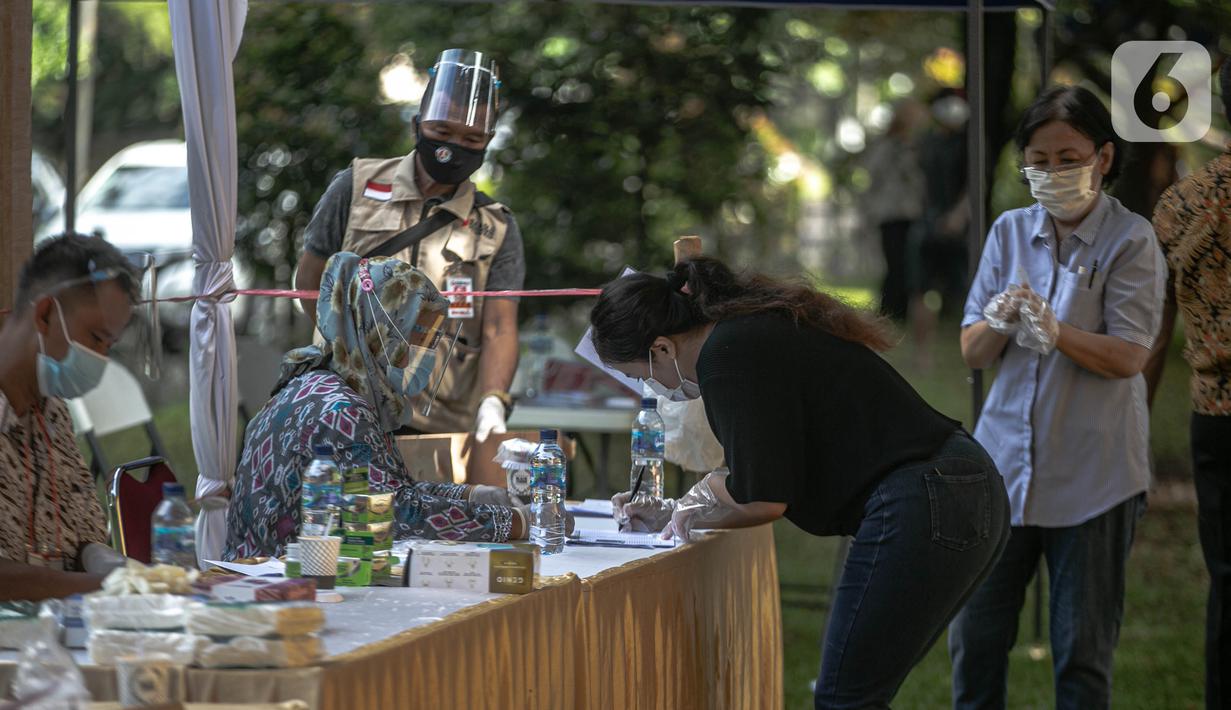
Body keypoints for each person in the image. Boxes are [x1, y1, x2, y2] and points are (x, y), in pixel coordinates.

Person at [592, 256, 1010, 709]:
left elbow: (764, 496)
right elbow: (763, 479)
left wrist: (694, 501)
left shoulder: (727, 357)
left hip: (927, 496)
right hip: (953, 485)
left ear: (662, 349)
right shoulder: (740, 333)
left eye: (639, 376)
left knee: (845, 699)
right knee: (857, 694)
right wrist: (679, 511)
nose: (651, 389)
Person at [951, 85, 1166, 709]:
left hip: (1094, 479)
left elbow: (1130, 356)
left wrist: (1059, 332)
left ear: (1102, 156)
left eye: (1067, 158)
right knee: (977, 640)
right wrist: (999, 319)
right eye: (1038, 161)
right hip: (1004, 468)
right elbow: (972, 351)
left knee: (1081, 655)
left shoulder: (1131, 240)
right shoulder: (1009, 231)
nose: (1052, 173)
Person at [225, 253, 527, 560]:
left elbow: (392, 488)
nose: (424, 353)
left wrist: (470, 495)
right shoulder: (342, 410)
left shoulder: (316, 384)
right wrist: (510, 522)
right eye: (417, 335)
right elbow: (396, 512)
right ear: (381, 330)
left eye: (433, 341)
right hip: (282, 580)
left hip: (271, 570)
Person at [295, 48, 523, 447]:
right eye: (442, 132)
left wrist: (493, 401)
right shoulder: (356, 185)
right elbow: (309, 281)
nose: (454, 146)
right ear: (417, 125)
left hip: (441, 419)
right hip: (348, 407)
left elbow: (500, 326)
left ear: (487, 142)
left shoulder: (495, 226)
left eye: (472, 138)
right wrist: (348, 346)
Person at [1145, 59, 1231, 710]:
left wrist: (1135, 423)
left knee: (1225, 581)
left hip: (1214, 415)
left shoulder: (1179, 204)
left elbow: (1153, 329)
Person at [0, 233, 138, 601]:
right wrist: (113, 587)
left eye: (109, 345)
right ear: (45, 314)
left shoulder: (51, 411)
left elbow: (82, 533)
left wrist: (107, 562)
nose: (101, 359)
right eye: (95, 338)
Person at [862, 99, 926, 321]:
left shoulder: (918, 146)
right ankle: (890, 310)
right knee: (894, 263)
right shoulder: (887, 146)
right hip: (890, 213)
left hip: (912, 213)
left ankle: (902, 312)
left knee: (908, 264)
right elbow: (873, 173)